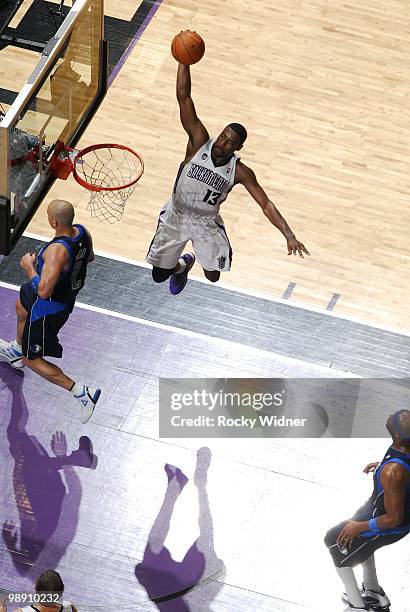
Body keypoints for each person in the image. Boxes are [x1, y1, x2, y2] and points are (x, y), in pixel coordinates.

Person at [146, 62, 309, 295]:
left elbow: (265, 204)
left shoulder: (240, 172)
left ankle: (192, 260)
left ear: (238, 146)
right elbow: (184, 97)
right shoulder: (199, 141)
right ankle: (181, 266)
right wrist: (184, 61)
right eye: (222, 136)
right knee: (159, 275)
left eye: (229, 142)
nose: (222, 143)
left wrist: (289, 234)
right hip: (176, 214)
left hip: (205, 222)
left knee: (213, 276)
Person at [0, 200, 101, 424]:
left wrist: (30, 268)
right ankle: (16, 350)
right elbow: (90, 257)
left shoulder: (57, 251)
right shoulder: (83, 232)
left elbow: (44, 291)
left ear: (54, 222)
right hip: (62, 294)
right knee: (21, 304)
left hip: (48, 307)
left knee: (32, 359)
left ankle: (81, 393)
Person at [324, 409, 410, 611]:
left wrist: (360, 526)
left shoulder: (393, 472)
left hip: (388, 522)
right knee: (355, 543)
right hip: (378, 508)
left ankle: (357, 606)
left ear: (396, 436)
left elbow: (394, 518)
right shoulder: (400, 455)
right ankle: (373, 591)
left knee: (336, 545)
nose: (396, 415)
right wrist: (382, 467)